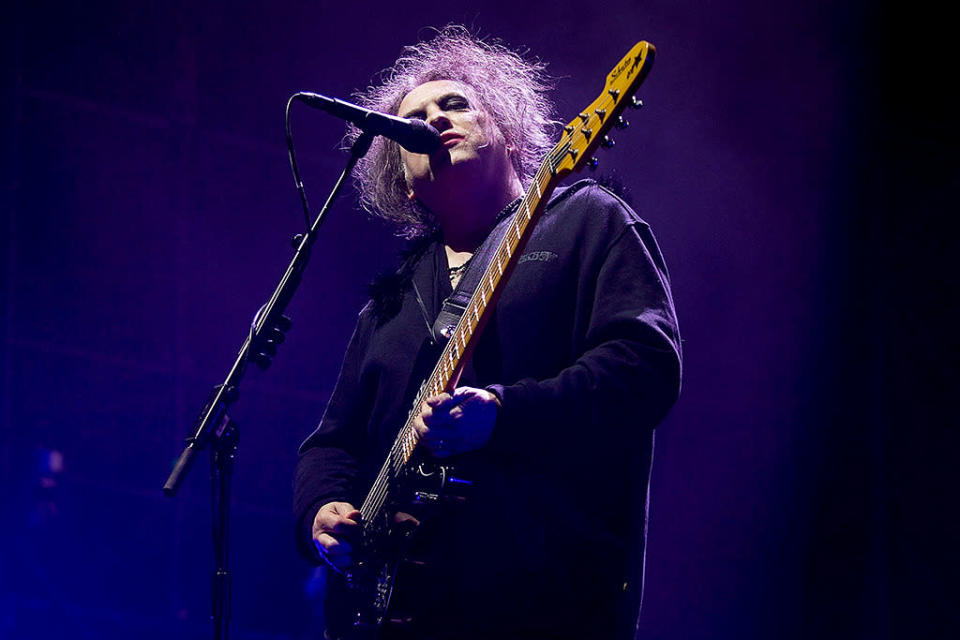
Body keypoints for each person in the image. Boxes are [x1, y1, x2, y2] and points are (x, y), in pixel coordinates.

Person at [293, 26, 682, 639]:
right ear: (399, 167)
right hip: (399, 614)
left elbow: (644, 367)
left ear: (507, 130)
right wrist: (321, 509)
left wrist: (505, 413)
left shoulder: (587, 221)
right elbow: (331, 442)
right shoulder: (391, 300)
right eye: (413, 119)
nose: (434, 119)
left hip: (543, 602)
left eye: (455, 104)